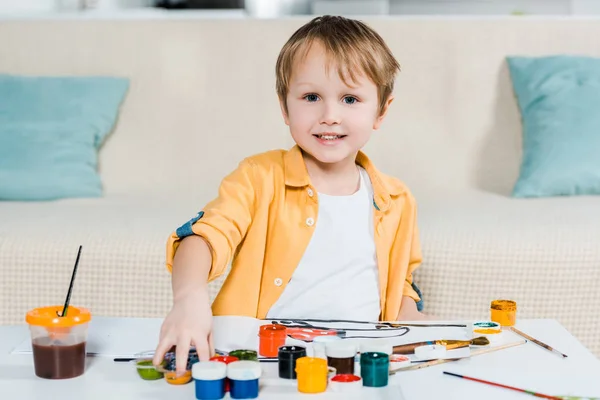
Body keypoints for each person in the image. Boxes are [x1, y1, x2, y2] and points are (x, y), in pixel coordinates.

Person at [153, 15, 427, 374]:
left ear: (381, 110)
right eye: (311, 97)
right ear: (285, 106)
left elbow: (400, 286)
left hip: (355, 365)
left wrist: (421, 326)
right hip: (260, 362)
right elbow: (204, 237)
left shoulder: (397, 199)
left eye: (350, 99)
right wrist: (189, 298)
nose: (330, 115)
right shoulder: (258, 177)